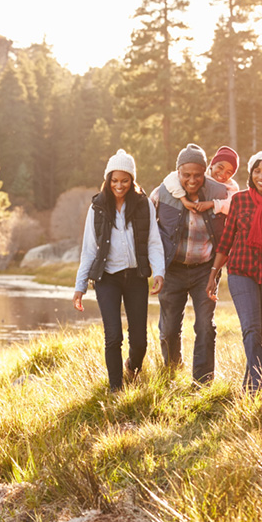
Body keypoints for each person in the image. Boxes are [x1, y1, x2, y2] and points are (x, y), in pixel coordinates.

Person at [74, 149, 165, 392]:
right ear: (107, 180)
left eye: (124, 180)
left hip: (136, 277)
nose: (119, 185)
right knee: (113, 336)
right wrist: (80, 287)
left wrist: (159, 272)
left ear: (132, 180)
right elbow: (88, 250)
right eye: (114, 180)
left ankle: (132, 368)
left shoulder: (144, 205)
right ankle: (116, 389)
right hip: (107, 279)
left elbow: (154, 243)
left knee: (140, 341)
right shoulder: (97, 208)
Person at [204, 152, 262, 393]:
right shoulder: (240, 200)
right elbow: (226, 241)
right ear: (251, 174)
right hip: (241, 272)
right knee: (251, 329)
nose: (261, 176)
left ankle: (249, 387)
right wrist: (213, 274)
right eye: (256, 171)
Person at [150, 143, 228, 387]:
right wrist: (154, 267)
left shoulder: (219, 192)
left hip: (205, 269)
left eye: (197, 174)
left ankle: (203, 381)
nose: (192, 180)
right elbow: (148, 230)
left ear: (205, 172)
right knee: (170, 327)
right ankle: (172, 370)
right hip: (172, 268)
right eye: (186, 175)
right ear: (178, 173)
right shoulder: (161, 193)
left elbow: (234, 213)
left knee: (205, 325)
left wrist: (217, 272)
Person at [161, 146, 241, 217]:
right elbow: (171, 179)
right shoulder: (200, 175)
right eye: (220, 167)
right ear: (212, 165)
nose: (223, 174)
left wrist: (212, 204)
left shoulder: (231, 186)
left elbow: (235, 206)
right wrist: (183, 199)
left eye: (229, 172)